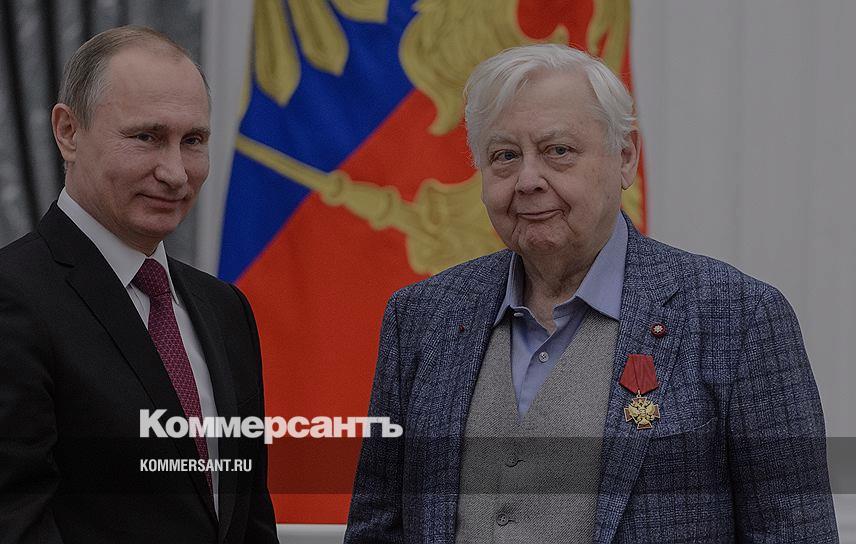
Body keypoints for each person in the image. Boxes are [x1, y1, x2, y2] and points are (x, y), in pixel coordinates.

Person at [345, 44, 838, 543]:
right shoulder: (422, 317)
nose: (528, 180)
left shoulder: (739, 319)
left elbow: (795, 532)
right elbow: (377, 528)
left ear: (625, 159)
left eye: (558, 151)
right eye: (505, 156)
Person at [0, 26, 278, 543]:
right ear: (68, 131)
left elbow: (248, 520)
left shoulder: (225, 309)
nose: (175, 172)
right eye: (146, 137)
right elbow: (0, 527)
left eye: (193, 141)